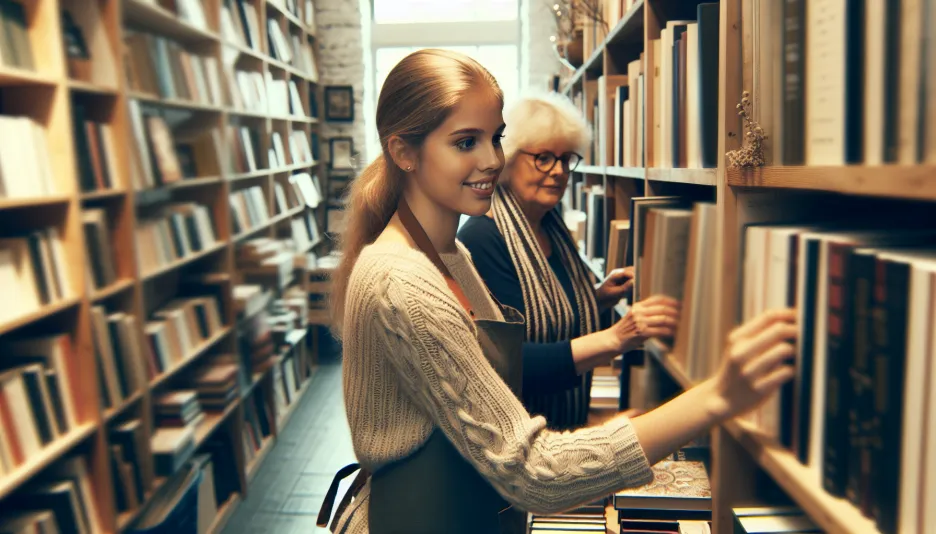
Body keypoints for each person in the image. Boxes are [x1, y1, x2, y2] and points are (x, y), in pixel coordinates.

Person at [318, 49, 798, 534]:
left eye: (496, 138)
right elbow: (530, 471)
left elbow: (487, 407)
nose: (491, 160)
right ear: (404, 152)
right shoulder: (402, 282)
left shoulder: (448, 257)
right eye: (466, 142)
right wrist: (718, 396)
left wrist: (599, 434)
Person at [458, 91, 679, 430]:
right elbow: (506, 364)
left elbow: (548, 313)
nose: (559, 171)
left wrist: (598, 298)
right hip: (515, 436)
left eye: (565, 159)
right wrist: (615, 339)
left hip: (564, 422)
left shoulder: (550, 224)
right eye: (543, 157)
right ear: (510, 159)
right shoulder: (481, 239)